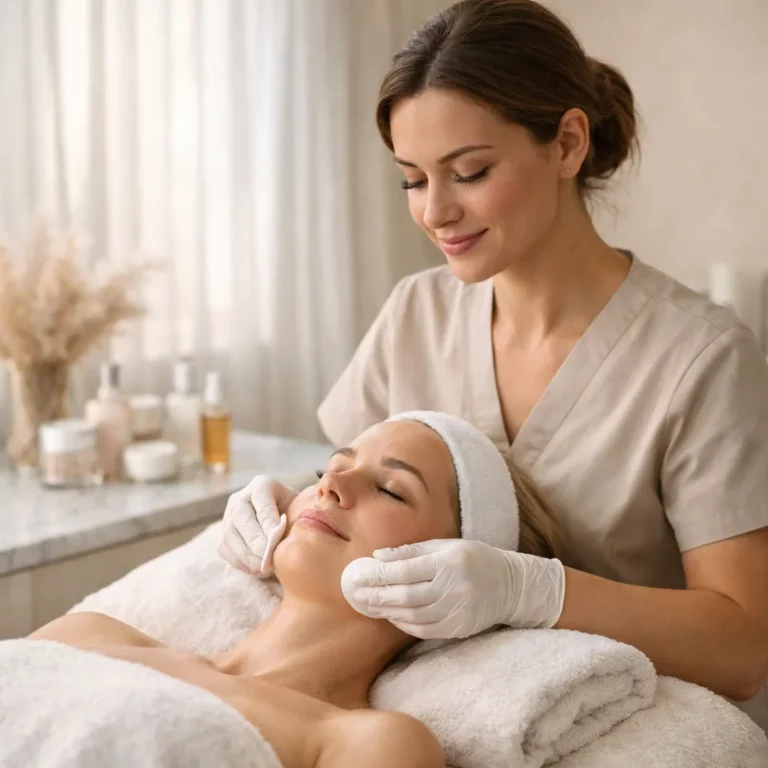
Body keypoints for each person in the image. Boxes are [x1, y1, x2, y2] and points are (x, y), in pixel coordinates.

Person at [220, 0, 768, 707]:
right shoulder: (416, 314)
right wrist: (287, 503)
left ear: (567, 144)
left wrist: (532, 591)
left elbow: (745, 647)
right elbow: (354, 489)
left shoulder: (702, 358)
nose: (434, 212)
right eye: (413, 179)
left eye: (470, 172)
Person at [28, 413, 565, 768]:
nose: (330, 485)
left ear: (455, 575)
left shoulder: (369, 744)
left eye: (390, 490)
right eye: (329, 468)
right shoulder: (88, 634)